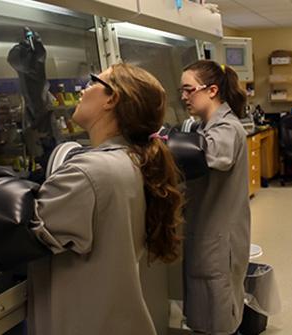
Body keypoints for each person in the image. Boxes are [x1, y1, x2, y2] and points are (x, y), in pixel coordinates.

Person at [27, 63, 184, 335]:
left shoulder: (87, 173)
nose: (83, 90)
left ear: (112, 98)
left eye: (92, 82)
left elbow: (26, 231)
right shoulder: (134, 160)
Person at [179, 60, 251, 334]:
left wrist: (161, 143)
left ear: (211, 90)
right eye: (181, 90)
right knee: (205, 311)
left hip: (219, 240)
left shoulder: (226, 129)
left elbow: (210, 155)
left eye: (189, 89)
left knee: (219, 318)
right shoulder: (204, 127)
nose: (184, 96)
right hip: (207, 234)